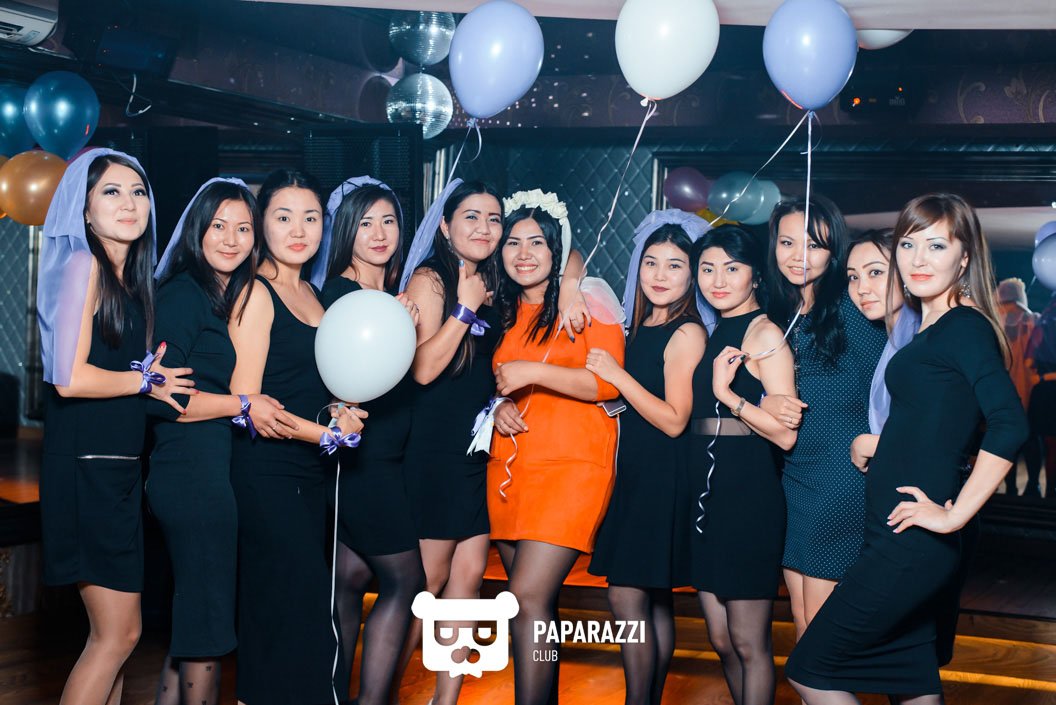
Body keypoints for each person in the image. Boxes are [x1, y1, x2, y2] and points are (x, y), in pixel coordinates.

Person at [785, 193, 1028, 703]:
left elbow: (1008, 424)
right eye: (909, 245)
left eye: (936, 246)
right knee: (911, 681)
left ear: (964, 257)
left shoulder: (964, 328)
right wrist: (877, 444)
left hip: (912, 541)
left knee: (809, 669)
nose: (918, 259)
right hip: (895, 531)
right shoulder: (932, 329)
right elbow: (936, 421)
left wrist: (953, 515)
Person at [37, 148, 195, 704]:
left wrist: (149, 381)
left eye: (138, 191)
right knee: (117, 636)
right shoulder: (84, 266)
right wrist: (143, 381)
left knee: (119, 639)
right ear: (84, 210)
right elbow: (69, 379)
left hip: (117, 471)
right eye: (111, 191)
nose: (129, 203)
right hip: (87, 472)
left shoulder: (131, 282)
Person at [228, 169, 366, 705]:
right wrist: (328, 434)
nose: (298, 230)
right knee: (285, 610)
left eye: (310, 218)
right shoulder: (256, 292)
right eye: (284, 217)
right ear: (262, 224)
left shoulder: (312, 292)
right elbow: (248, 405)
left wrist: (343, 413)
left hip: (311, 474)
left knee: (301, 609)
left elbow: (317, 384)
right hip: (267, 474)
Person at [484, 191, 625, 705]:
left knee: (525, 598)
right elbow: (487, 381)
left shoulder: (587, 299)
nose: (524, 253)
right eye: (513, 242)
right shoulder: (500, 310)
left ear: (557, 249)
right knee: (533, 608)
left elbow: (607, 384)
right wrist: (496, 406)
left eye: (537, 242)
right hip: (510, 469)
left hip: (572, 469)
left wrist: (533, 372)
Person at [148, 178, 283, 705]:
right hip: (188, 475)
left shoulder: (219, 295)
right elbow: (165, 400)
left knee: (193, 618)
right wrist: (243, 404)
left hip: (204, 470)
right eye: (218, 226)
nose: (231, 239)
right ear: (196, 231)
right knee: (206, 624)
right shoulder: (182, 294)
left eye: (243, 228)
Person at [587, 210, 707, 705]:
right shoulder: (641, 326)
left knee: (627, 595)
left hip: (663, 473)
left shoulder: (687, 332)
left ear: (693, 274)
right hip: (638, 471)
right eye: (651, 262)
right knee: (653, 601)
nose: (659, 275)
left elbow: (676, 418)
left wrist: (617, 376)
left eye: (675, 265)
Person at [315, 176, 425, 705]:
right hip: (363, 462)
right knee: (406, 582)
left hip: (387, 461)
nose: (379, 234)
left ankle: (336, 694)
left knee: (351, 579)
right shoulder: (341, 296)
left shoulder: (390, 299)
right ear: (345, 231)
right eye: (365, 223)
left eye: (389, 221)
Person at [762, 195, 887, 638]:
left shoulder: (852, 307)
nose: (798, 256)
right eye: (787, 243)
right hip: (794, 473)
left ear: (834, 250)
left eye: (813, 245)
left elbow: (891, 386)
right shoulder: (783, 312)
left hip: (841, 475)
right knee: (801, 618)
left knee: (820, 629)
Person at [689, 225, 797, 705]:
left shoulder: (765, 333)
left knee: (749, 642)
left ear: (755, 275)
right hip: (708, 493)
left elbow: (785, 433)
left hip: (749, 493)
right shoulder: (716, 330)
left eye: (732, 269)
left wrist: (727, 395)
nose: (719, 280)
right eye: (708, 269)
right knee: (720, 639)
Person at [995, 277, 1042, 496]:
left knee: (1007, 440)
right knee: (1031, 438)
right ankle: (1034, 485)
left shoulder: (994, 321)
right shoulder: (1033, 320)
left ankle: (1012, 487)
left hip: (1003, 392)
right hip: (1029, 391)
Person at [1028, 292, 1056, 498]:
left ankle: (1045, 490)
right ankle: (1051, 491)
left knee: (1046, 443)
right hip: (1049, 391)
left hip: (1043, 389)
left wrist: (1042, 376)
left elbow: (1028, 361)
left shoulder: (1042, 324)